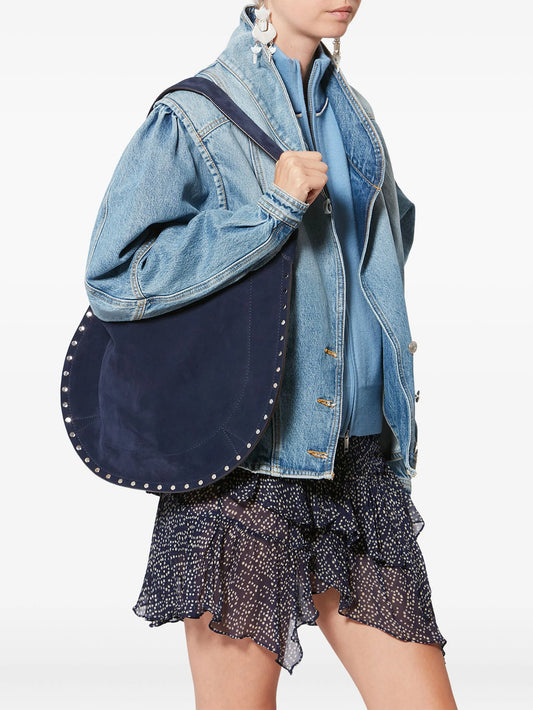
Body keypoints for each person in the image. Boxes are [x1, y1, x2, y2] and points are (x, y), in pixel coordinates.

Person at [84, 1, 458, 708]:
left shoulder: (353, 114)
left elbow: (377, 256)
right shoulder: (195, 116)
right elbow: (116, 276)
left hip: (358, 466)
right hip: (245, 471)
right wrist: (271, 212)